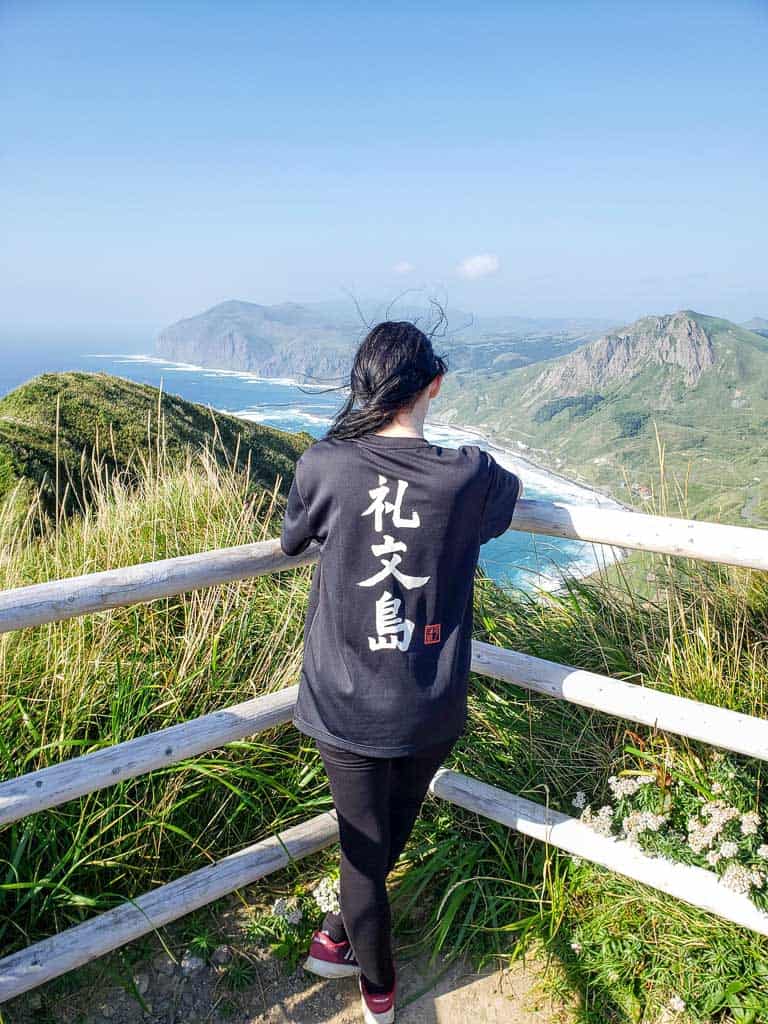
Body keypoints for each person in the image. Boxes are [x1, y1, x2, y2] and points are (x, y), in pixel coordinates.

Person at [279, 320, 522, 1024]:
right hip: (429, 705)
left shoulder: (323, 464)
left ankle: (362, 977)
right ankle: (352, 958)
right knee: (380, 845)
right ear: (435, 385)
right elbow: (500, 503)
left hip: (343, 703)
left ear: (362, 385)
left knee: (366, 853)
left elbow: (296, 536)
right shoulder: (469, 474)